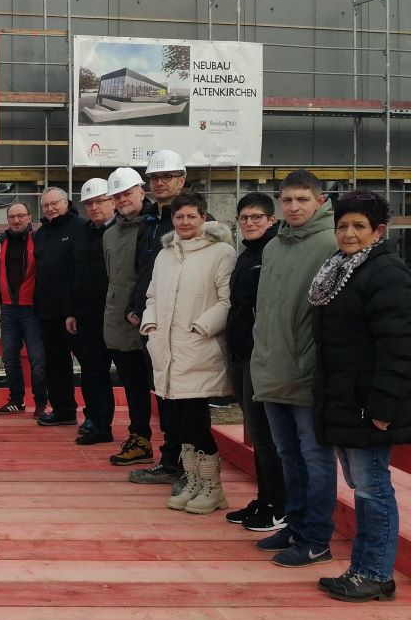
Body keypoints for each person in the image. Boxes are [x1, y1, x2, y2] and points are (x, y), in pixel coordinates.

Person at [310, 190, 411, 602]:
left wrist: (383, 406)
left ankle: (375, 573)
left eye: (358, 227)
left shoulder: (386, 272)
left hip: (368, 403)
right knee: (360, 485)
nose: (348, 234)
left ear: (378, 231)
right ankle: (363, 569)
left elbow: (399, 345)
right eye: (342, 226)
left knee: (372, 487)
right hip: (345, 398)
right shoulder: (340, 269)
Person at [251, 169, 338, 568]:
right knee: (289, 455)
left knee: (315, 458)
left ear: (319, 201)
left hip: (305, 372)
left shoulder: (331, 243)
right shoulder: (274, 246)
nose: (293, 207)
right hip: (271, 368)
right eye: (287, 200)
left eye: (302, 199)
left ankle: (317, 537)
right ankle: (296, 525)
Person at [140, 192, 235, 514]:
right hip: (166, 349)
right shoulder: (166, 254)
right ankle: (193, 481)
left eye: (191, 217)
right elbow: (152, 295)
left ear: (204, 218)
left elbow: (227, 300)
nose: (184, 222)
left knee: (196, 420)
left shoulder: (222, 252)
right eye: (179, 217)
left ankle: (213, 487)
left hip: (198, 348)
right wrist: (150, 326)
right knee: (179, 423)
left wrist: (200, 328)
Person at [128, 150, 191, 485]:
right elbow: (143, 268)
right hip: (152, 319)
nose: (160, 182)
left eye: (166, 176)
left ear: (181, 179)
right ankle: (170, 460)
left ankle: (189, 466)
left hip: (180, 322)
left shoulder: (189, 218)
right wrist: (135, 306)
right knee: (163, 392)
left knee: (185, 396)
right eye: (154, 177)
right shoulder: (150, 219)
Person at [224, 193, 285, 532]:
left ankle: (279, 505)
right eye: (244, 218)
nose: (249, 223)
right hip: (241, 351)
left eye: (256, 217)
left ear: (271, 220)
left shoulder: (271, 254)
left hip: (260, 355)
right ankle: (265, 498)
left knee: (266, 435)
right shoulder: (247, 254)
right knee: (258, 433)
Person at [101, 167, 158, 469]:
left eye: (127, 193)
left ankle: (173, 447)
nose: (123, 200)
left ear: (141, 192)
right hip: (119, 320)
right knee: (133, 383)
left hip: (149, 318)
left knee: (158, 384)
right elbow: (113, 279)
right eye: (117, 195)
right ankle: (140, 437)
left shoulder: (155, 228)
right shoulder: (110, 234)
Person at [65, 179, 117, 445]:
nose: (94, 207)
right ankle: (98, 423)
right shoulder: (83, 232)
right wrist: (72, 311)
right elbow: (76, 274)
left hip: (116, 317)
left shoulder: (121, 230)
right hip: (87, 316)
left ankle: (139, 432)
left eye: (99, 201)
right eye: (89, 203)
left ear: (112, 201)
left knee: (132, 377)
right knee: (92, 373)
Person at [32, 187, 85, 426]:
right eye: (46, 205)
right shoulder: (41, 233)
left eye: (56, 203)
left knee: (88, 363)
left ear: (67, 203)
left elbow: (80, 270)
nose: (51, 208)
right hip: (47, 311)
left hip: (73, 311)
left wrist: (73, 307)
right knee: (55, 364)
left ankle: (95, 416)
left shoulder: (80, 227)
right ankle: (63, 411)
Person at [0, 202, 47, 416]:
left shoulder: (38, 239)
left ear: (29, 217)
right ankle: (17, 401)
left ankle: (41, 402)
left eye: (20, 216)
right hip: (9, 309)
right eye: (12, 216)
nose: (16, 220)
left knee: (38, 359)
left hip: (32, 309)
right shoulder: (0, 242)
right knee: (10, 358)